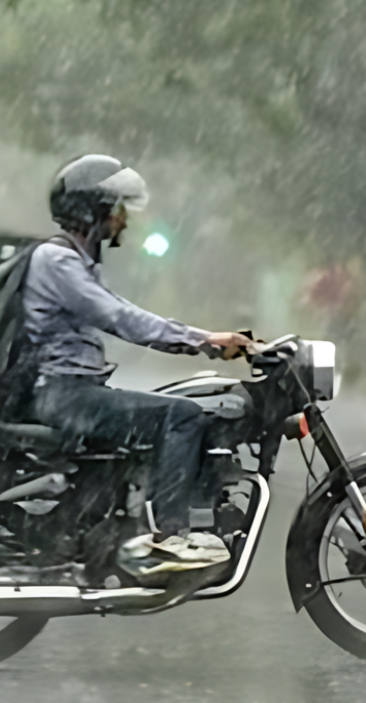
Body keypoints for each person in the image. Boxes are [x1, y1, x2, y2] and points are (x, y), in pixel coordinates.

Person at [21, 154, 254, 575]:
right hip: (64, 395)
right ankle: (169, 538)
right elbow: (118, 317)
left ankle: (114, 531)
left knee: (169, 411)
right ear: (92, 209)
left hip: (71, 391)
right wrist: (201, 341)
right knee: (181, 416)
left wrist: (205, 339)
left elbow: (120, 308)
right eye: (118, 210)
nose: (124, 221)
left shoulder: (75, 261)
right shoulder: (56, 261)